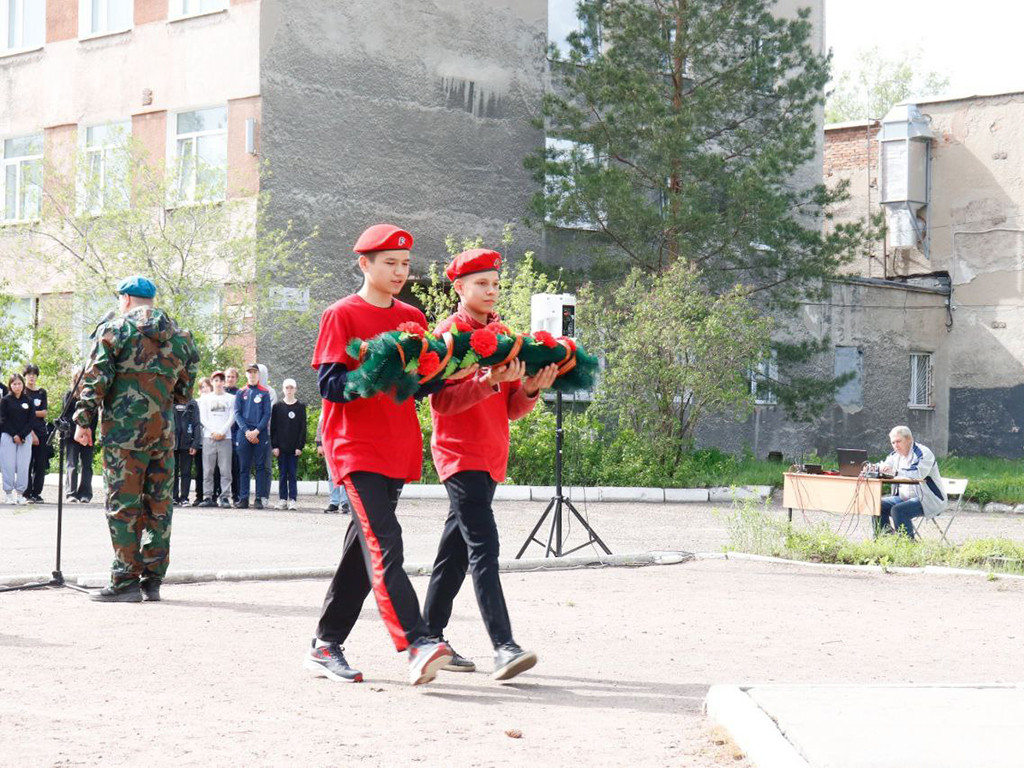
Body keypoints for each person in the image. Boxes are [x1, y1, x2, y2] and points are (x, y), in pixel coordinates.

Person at [305, 223, 470, 686]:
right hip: (355, 448)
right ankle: (417, 642)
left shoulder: (413, 317)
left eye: (405, 263)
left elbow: (418, 386)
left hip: (397, 447)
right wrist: (375, 371)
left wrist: (460, 366)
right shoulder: (341, 314)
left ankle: (324, 644)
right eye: (390, 263)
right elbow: (331, 387)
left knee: (363, 551)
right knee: (385, 542)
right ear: (365, 264)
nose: (401, 271)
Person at [424, 248, 557, 680]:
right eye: (482, 283)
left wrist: (532, 389)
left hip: (491, 455)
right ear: (459, 288)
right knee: (484, 547)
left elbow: (512, 408)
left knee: (455, 552)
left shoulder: (505, 337)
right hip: (459, 454)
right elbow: (442, 402)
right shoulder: (447, 336)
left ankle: (428, 636)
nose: (491, 291)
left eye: (496, 284)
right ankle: (504, 646)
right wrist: (487, 381)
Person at [73, 275, 199, 603]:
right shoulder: (182, 337)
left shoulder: (113, 330)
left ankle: (124, 580)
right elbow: (185, 393)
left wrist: (83, 420)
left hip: (123, 436)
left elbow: (96, 378)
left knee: (123, 506)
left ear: (126, 299)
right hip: (164, 435)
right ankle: (153, 580)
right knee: (159, 506)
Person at [874, 425, 947, 539]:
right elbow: (885, 465)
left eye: (898, 441)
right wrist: (875, 468)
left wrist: (895, 472)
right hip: (903, 498)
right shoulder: (895, 455)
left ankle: (907, 545)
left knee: (898, 510)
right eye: (893, 443)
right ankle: (884, 541)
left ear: (909, 439)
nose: (895, 446)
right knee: (876, 505)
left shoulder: (923, 453)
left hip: (928, 499)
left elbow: (917, 474)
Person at [233, 363, 271, 509]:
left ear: (258, 374)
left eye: (254, 372)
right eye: (249, 372)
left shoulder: (264, 392)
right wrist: (246, 431)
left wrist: (256, 431)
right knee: (244, 467)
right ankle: (243, 498)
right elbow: (237, 413)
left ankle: (259, 499)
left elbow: (267, 414)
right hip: (244, 434)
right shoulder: (240, 392)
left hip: (260, 434)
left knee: (260, 467)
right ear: (246, 374)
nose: (252, 374)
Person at [198, 372, 235, 508]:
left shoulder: (231, 398)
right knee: (208, 469)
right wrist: (214, 431)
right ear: (212, 382)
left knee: (225, 469)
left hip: (226, 438)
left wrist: (222, 431)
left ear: (224, 383)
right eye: (216, 380)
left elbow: (233, 417)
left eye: (221, 380)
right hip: (209, 437)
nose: (219, 383)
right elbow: (202, 418)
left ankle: (224, 497)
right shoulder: (206, 399)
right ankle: (208, 496)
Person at [271, 378, 306, 510]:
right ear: (283, 389)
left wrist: (299, 446)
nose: (289, 390)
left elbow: (303, 428)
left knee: (292, 473)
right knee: (282, 474)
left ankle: (292, 499)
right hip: (281, 447)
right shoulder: (277, 407)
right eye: (287, 388)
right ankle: (282, 499)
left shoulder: (300, 407)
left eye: (292, 387)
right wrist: (274, 446)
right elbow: (273, 428)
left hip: (294, 448)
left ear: (295, 389)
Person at [63, 369, 96, 503]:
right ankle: (71, 493)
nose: (82, 382)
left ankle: (85, 493)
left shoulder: (91, 397)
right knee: (72, 464)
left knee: (87, 465)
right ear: (75, 380)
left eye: (84, 379)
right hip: (72, 436)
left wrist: (86, 430)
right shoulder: (69, 395)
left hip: (88, 435)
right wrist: (78, 428)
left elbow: (94, 417)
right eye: (80, 379)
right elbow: (66, 416)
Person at [1, 374, 35, 505]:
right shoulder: (5, 400)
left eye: (19, 383)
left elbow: (31, 420)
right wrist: (14, 434)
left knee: (23, 466)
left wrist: (21, 435)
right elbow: (3, 420)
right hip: (8, 435)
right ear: (10, 385)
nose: (17, 386)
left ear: (23, 384)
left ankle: (20, 494)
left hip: (25, 437)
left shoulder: (28, 400)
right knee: (7, 465)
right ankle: (8, 494)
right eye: (14, 384)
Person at [22, 364, 49, 504]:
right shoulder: (22, 392)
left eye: (34, 374)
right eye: (29, 374)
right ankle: (26, 493)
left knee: (40, 464)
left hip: (42, 431)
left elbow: (44, 412)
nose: (31, 376)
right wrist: (31, 434)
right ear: (25, 375)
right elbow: (21, 415)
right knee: (27, 462)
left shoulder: (42, 392)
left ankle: (37, 493)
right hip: (27, 432)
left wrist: (30, 412)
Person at [315, 410, 349, 514]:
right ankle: (334, 502)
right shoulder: (327, 404)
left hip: (344, 443)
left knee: (344, 474)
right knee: (331, 475)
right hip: (329, 444)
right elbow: (320, 425)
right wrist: (319, 444)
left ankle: (345, 502)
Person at [172, 391, 201, 505]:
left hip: (187, 443)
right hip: (172, 443)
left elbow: (197, 424)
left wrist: (195, 443)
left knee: (186, 472)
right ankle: (173, 497)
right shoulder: (169, 401)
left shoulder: (192, 404)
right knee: (172, 471)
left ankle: (184, 497)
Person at [258, 363, 277, 508]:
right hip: (249, 434)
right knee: (244, 467)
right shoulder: (247, 390)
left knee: (265, 466)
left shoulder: (270, 392)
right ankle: (242, 495)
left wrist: (257, 428)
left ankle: (264, 495)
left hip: (266, 433)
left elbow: (268, 412)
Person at [191, 377, 212, 505]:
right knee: (200, 470)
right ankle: (199, 495)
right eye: (202, 387)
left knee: (211, 470)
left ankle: (212, 495)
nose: (204, 389)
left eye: (206, 386)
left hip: (211, 440)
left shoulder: (214, 401)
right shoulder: (195, 403)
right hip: (198, 442)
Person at [223, 366, 241, 504]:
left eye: (232, 377)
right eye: (228, 376)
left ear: (236, 379)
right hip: (220, 435)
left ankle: (236, 496)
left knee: (235, 467)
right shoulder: (218, 393)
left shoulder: (240, 394)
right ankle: (220, 495)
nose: (230, 379)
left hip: (235, 434)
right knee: (221, 468)